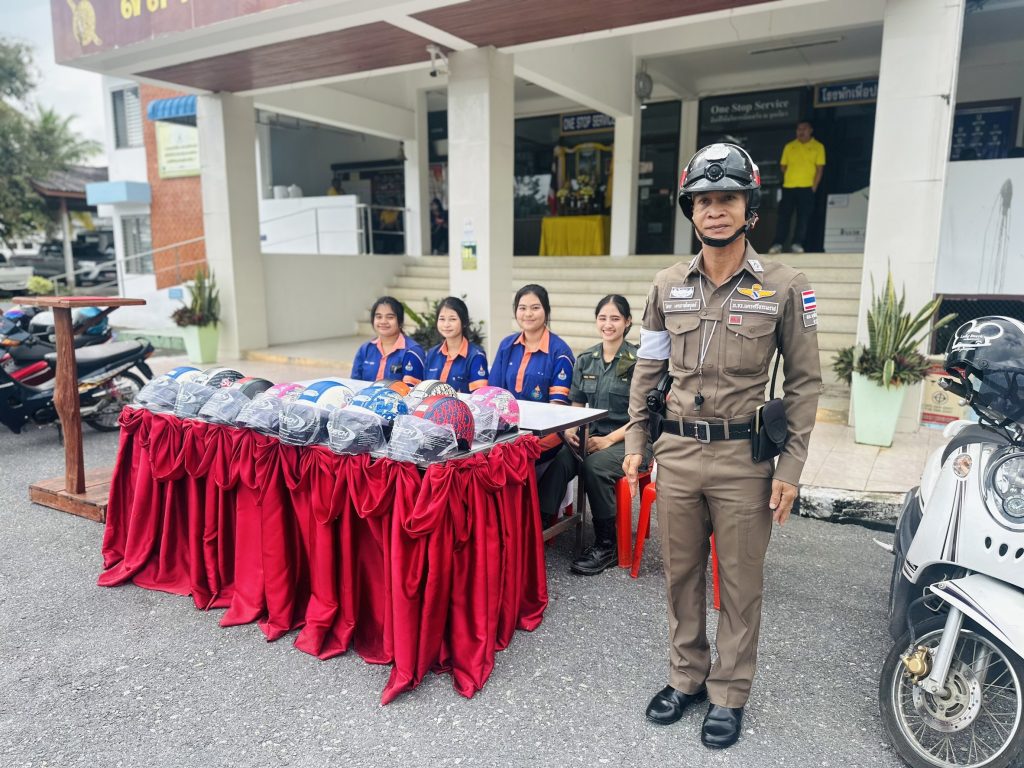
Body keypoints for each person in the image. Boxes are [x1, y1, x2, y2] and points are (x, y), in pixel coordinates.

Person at [623, 143, 821, 749]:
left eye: (727, 198)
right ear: (690, 210)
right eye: (704, 200)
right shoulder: (667, 285)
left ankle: (729, 691)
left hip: (744, 460)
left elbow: (805, 383)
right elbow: (648, 369)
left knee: (739, 582)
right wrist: (637, 438)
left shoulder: (784, 286)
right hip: (679, 454)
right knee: (680, 575)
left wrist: (791, 466)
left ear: (748, 208)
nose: (715, 210)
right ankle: (685, 676)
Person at [535, 294, 647, 574]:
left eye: (615, 318)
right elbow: (577, 405)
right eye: (602, 318)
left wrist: (609, 440)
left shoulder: (639, 362)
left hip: (630, 440)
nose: (608, 324)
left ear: (628, 322)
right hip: (592, 435)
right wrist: (572, 432)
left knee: (594, 467)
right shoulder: (586, 359)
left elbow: (643, 415)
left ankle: (607, 544)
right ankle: (539, 528)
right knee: (561, 459)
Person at [488, 284, 575, 461]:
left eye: (535, 308)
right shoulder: (506, 345)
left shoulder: (560, 351)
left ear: (546, 311)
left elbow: (558, 409)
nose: (528, 314)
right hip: (507, 433)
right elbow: (493, 394)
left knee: (511, 460)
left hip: (543, 437)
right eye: (522, 308)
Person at [409, 296, 488, 393]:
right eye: (442, 319)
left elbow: (479, 396)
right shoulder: (432, 354)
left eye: (452, 319)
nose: (446, 324)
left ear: (464, 323)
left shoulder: (476, 356)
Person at [768, 120, 825, 254]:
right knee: (784, 217)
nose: (801, 131)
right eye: (799, 129)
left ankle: (797, 243)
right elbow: (783, 166)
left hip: (807, 187)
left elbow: (819, 169)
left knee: (803, 217)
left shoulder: (818, 146)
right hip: (789, 186)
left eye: (804, 129)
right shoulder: (790, 146)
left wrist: (814, 187)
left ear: (810, 130)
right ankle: (777, 244)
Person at [351, 296, 425, 383]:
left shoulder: (412, 351)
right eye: (379, 317)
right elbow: (354, 384)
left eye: (390, 317)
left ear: (400, 321)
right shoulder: (365, 349)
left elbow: (414, 388)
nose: (383, 321)